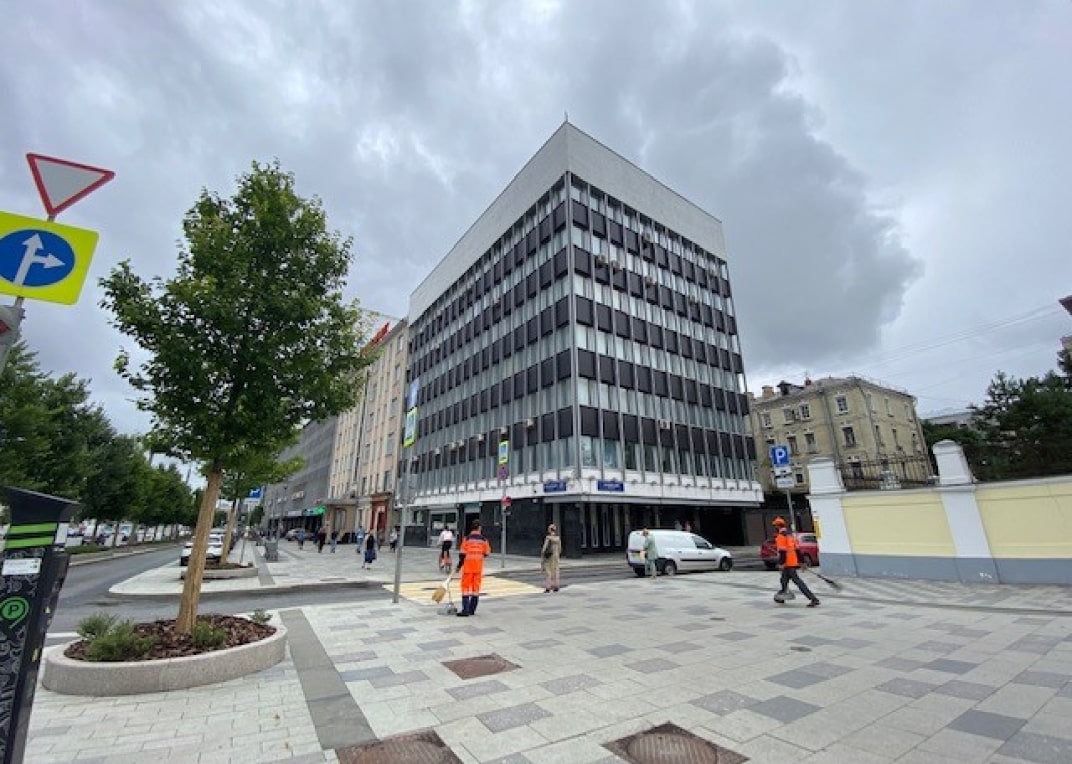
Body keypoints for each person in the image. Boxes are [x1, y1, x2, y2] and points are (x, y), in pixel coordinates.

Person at [773, 517, 820, 607]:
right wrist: (802, 562)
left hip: (787, 564)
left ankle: (813, 599)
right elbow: (798, 550)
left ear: (777, 526)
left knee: (797, 581)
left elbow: (782, 552)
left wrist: (781, 563)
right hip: (793, 562)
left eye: (775, 526)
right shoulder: (791, 536)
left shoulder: (781, 537)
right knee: (783, 580)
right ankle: (781, 596)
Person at [456, 520, 492, 617]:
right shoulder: (484, 540)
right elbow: (487, 553)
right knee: (476, 589)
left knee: (465, 588)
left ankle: (465, 610)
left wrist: (458, 566)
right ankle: (472, 610)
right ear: (479, 528)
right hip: (478, 568)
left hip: (468, 567)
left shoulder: (466, 539)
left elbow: (462, 554)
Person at [540, 524, 562, 593]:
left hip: (549, 557)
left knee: (548, 572)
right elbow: (560, 549)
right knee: (555, 571)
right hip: (556, 557)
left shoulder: (548, 538)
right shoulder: (558, 538)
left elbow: (544, 549)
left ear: (549, 530)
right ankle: (556, 586)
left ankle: (548, 587)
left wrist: (542, 557)